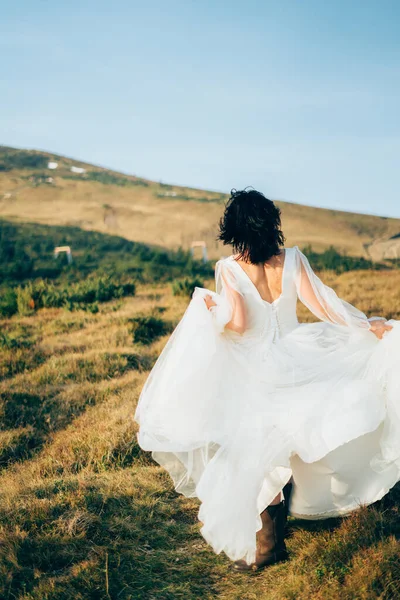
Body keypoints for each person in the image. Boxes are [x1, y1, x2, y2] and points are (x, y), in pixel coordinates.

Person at [134, 188, 399, 571]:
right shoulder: (292, 259)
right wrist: (365, 324)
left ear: (235, 228)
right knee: (300, 427)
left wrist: (213, 310)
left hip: (255, 366)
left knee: (256, 442)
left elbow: (238, 324)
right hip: (298, 355)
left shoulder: (229, 268)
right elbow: (324, 305)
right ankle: (300, 512)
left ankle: (268, 544)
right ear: (270, 223)